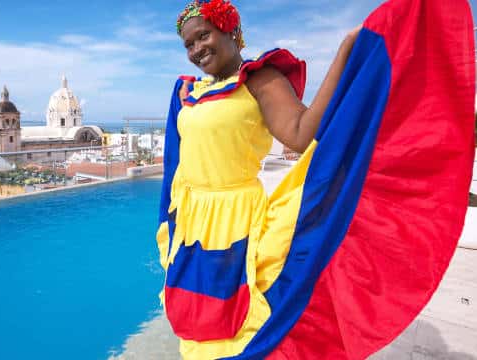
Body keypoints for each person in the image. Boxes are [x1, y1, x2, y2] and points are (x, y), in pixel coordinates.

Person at [157, 0, 475, 359]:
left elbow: (300, 133)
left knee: (239, 326)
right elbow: (177, 162)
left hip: (236, 221)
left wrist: (343, 54)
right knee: (196, 322)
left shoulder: (259, 80)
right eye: (189, 44)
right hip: (192, 223)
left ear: (232, 31)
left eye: (204, 36)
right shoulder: (187, 93)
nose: (197, 48)